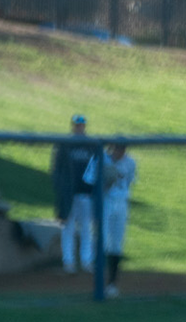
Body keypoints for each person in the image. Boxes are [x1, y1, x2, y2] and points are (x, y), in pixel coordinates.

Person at [80, 142, 137, 296]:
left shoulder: (131, 162)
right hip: (105, 202)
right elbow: (88, 180)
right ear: (113, 148)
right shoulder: (100, 158)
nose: (122, 152)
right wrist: (103, 184)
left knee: (117, 243)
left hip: (122, 204)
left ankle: (112, 284)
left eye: (124, 149)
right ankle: (97, 283)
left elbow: (130, 182)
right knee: (101, 240)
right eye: (119, 148)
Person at [50, 115, 96, 275]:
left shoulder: (92, 145)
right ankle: (68, 263)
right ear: (73, 126)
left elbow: (97, 168)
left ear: (85, 127)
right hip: (68, 195)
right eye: (77, 125)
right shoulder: (64, 145)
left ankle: (86, 262)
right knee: (67, 229)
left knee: (86, 229)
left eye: (81, 125)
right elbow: (56, 169)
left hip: (86, 195)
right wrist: (60, 189)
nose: (79, 127)